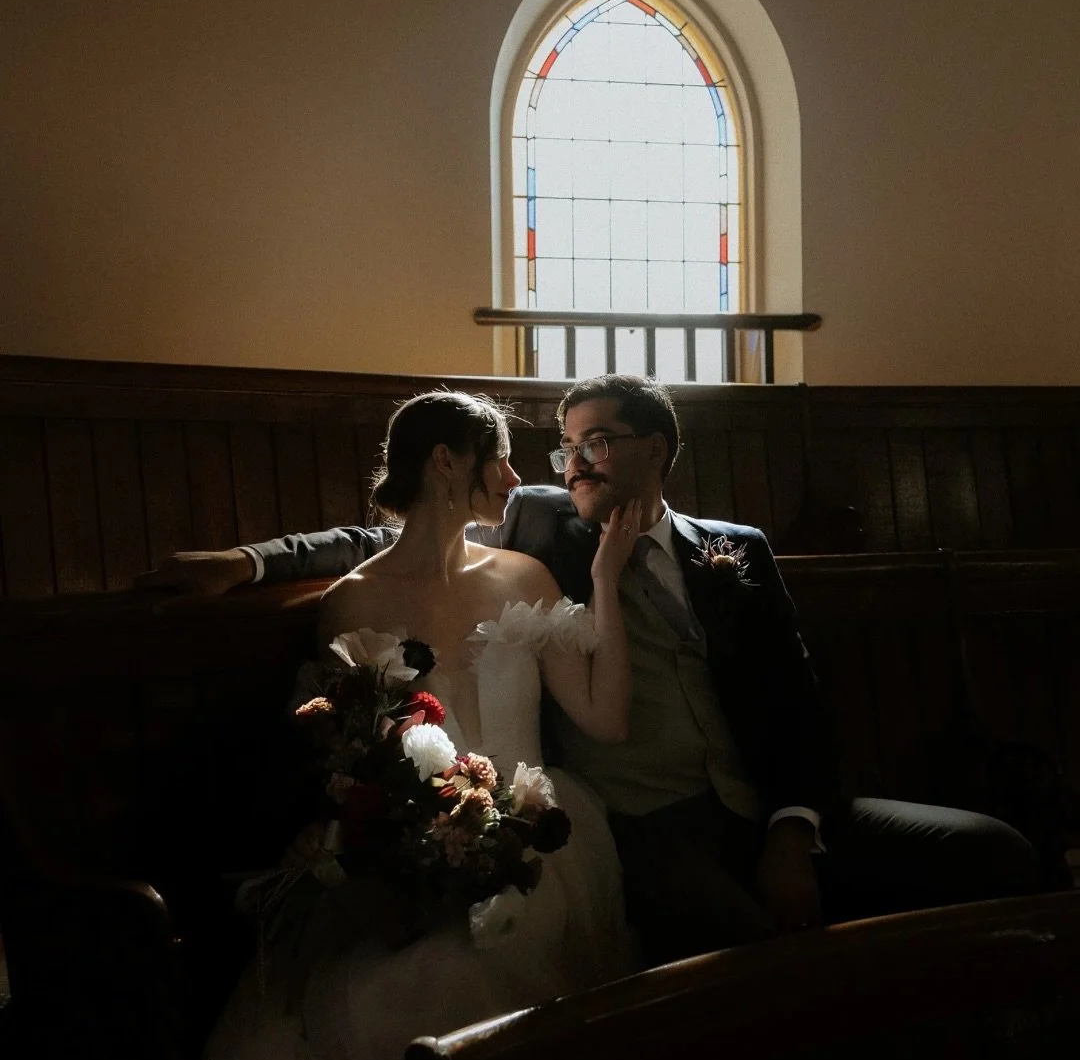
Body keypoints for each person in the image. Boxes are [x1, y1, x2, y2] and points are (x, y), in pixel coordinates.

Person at [145, 375, 1044, 970]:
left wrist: (791, 829)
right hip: (646, 823)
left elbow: (796, 702)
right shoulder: (541, 524)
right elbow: (392, 536)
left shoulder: (737, 549)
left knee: (993, 851)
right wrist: (246, 560)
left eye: (598, 443)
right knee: (750, 950)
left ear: (657, 448)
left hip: (767, 808)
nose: (573, 463)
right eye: (565, 447)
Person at [171, 390, 641, 1060]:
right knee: (365, 997)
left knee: (457, 981)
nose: (515, 478)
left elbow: (606, 719)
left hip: (536, 834)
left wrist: (606, 579)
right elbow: (354, 755)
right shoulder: (352, 601)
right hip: (412, 839)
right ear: (446, 462)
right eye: (499, 458)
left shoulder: (524, 574)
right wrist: (394, 839)